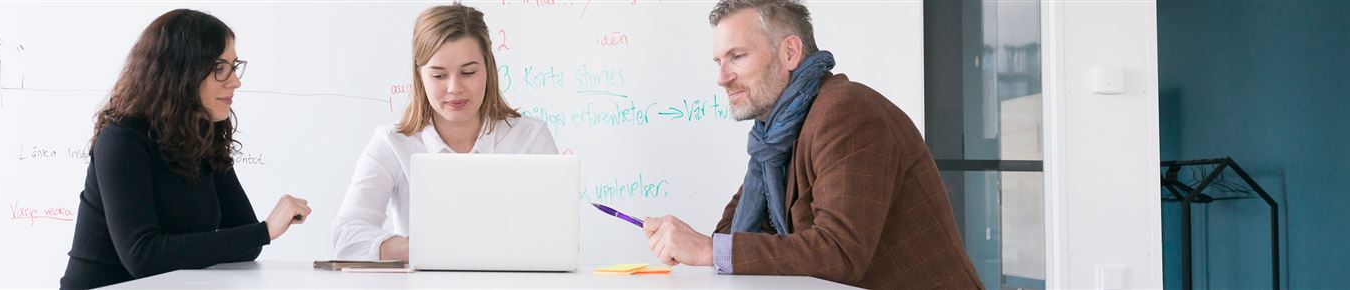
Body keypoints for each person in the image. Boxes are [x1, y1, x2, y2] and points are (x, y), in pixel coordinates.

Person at [638, 0, 984, 288]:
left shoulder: (847, 113)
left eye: (737, 56)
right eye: (719, 61)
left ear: (790, 52)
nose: (722, 78)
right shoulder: (774, 138)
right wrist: (703, 246)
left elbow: (839, 253)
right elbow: (733, 234)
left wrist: (707, 251)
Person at [59, 9, 312, 289]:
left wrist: (259, 233)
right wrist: (263, 231)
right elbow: (143, 256)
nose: (235, 81)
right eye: (219, 68)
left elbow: (245, 243)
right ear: (182, 72)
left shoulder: (203, 135)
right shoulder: (122, 139)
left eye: (234, 65)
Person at [330, 3, 559, 261]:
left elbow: (557, 237)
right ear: (420, 76)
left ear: (488, 70)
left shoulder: (530, 137)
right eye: (439, 75)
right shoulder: (392, 143)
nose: (454, 88)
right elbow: (346, 238)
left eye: (468, 72)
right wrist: (431, 248)